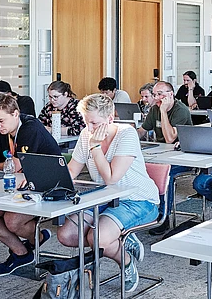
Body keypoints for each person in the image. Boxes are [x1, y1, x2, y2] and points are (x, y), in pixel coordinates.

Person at [57, 93, 160, 294]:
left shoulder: (126, 134)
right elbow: (71, 171)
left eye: (94, 123)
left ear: (110, 119)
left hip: (138, 200)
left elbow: (111, 178)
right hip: (104, 198)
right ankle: (123, 238)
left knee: (97, 239)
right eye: (87, 123)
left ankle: (127, 262)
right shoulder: (87, 134)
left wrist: (95, 147)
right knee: (66, 235)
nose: (90, 128)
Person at [0, 93, 62, 276]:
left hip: (47, 184)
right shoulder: (2, 131)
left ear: (15, 114)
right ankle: (21, 253)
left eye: (0, 121)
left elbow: (16, 165)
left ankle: (37, 237)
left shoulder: (31, 128)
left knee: (12, 221)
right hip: (17, 184)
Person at [141, 82, 193, 235]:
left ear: (171, 94)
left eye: (160, 94)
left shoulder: (181, 110)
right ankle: (144, 212)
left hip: (182, 158)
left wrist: (163, 112)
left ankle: (164, 216)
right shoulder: (154, 109)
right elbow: (142, 131)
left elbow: (169, 138)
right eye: (155, 94)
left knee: (166, 175)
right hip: (161, 155)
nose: (157, 98)